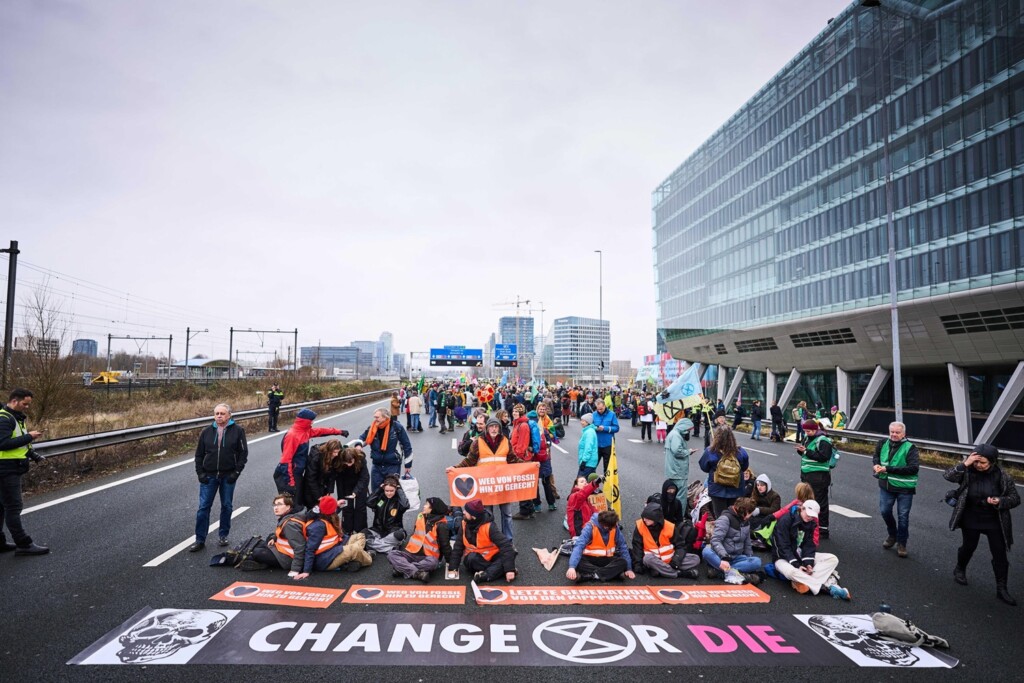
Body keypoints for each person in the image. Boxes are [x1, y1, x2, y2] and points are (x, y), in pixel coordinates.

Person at [945, 444, 1021, 606]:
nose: (979, 465)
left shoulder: (1003, 476)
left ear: (993, 462)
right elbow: (948, 476)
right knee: (969, 546)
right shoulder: (966, 472)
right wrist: (966, 463)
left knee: (1000, 553)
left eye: (983, 463)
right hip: (971, 516)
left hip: (994, 520)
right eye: (976, 462)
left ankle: (1002, 588)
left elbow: (1015, 498)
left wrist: (1000, 501)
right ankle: (960, 568)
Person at [449, 416, 520, 538]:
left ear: (499, 428)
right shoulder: (478, 442)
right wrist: (455, 468)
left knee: (507, 514)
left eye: (496, 426)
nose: (494, 429)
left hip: (502, 485)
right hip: (485, 485)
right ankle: (490, 541)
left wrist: (531, 465)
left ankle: (508, 541)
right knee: (487, 515)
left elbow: (513, 460)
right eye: (491, 426)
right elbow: (470, 460)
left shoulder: (505, 441)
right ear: (487, 428)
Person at [191, 403, 248, 552]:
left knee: (227, 506)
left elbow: (243, 454)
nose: (219, 416)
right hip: (208, 476)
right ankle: (200, 539)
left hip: (228, 476)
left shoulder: (238, 431)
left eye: (222, 413)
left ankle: (223, 535)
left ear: (229, 415)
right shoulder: (206, 432)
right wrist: (200, 473)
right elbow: (199, 455)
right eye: (216, 413)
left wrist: (236, 473)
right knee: (203, 508)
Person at [0, 388, 48, 555]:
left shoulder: (15, 417)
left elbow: (17, 443)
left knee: (1, 506)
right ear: (14, 401)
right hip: (5, 469)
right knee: (14, 506)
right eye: (25, 404)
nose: (27, 407)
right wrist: (29, 436)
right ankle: (24, 544)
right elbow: (3, 443)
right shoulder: (5, 419)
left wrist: (33, 454)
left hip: (10, 466)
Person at [771, 499, 851, 599]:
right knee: (792, 572)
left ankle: (802, 581)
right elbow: (782, 546)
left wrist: (808, 564)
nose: (810, 518)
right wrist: (796, 565)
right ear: (802, 509)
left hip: (800, 556)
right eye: (808, 514)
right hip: (782, 558)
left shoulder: (811, 523)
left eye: (812, 516)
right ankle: (828, 587)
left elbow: (809, 545)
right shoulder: (785, 520)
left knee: (832, 558)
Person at [275, 408, 347, 508]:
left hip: (297, 472)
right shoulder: (292, 435)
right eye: (311, 421)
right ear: (305, 421)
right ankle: (288, 523)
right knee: (291, 505)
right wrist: (290, 483)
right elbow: (285, 461)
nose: (312, 422)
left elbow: (321, 431)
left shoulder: (304, 431)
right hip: (288, 474)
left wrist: (339, 432)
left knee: (299, 502)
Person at [873, 421, 919, 558]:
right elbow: (876, 456)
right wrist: (876, 465)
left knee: (903, 517)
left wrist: (888, 469)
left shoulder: (911, 448)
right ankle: (892, 534)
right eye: (892, 432)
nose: (894, 434)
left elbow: (913, 468)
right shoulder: (882, 443)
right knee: (885, 511)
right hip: (886, 485)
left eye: (897, 432)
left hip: (905, 488)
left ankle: (902, 543)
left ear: (903, 433)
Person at [449, 499, 517, 583]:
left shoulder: (489, 527)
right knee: (471, 558)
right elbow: (458, 547)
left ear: (473, 516)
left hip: (492, 557)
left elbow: (506, 546)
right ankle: (498, 570)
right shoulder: (464, 523)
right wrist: (453, 567)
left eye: (466, 511)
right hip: (475, 560)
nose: (463, 512)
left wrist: (509, 569)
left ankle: (486, 575)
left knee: (511, 552)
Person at [387, 497, 452, 582]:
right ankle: (417, 573)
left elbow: (445, 545)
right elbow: (415, 533)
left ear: (433, 509)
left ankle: (402, 569)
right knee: (391, 554)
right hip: (412, 553)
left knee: (433, 563)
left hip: (429, 557)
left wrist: (451, 562)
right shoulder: (420, 516)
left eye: (426, 505)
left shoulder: (441, 525)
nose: (424, 506)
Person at [702, 497, 763, 584]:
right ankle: (736, 573)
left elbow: (747, 542)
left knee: (757, 561)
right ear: (744, 512)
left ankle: (720, 573)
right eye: (750, 513)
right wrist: (724, 557)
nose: (751, 515)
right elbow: (715, 540)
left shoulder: (746, 522)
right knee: (706, 551)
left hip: (736, 557)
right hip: (721, 556)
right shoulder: (725, 519)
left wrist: (749, 558)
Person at [631, 501, 699, 579]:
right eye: (644, 517)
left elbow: (680, 545)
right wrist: (638, 564)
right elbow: (637, 547)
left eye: (647, 518)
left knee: (695, 559)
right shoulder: (640, 526)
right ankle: (680, 573)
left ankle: (661, 570)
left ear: (655, 518)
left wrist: (676, 560)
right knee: (647, 559)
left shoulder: (670, 527)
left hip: (670, 559)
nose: (644, 520)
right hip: (653, 559)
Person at [567, 510, 635, 582]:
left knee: (623, 562)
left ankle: (590, 576)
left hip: (606, 559)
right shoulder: (590, 528)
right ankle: (613, 574)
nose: (614, 528)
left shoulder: (614, 527)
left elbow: (623, 546)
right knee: (578, 563)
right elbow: (579, 547)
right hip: (589, 558)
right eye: (611, 527)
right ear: (605, 526)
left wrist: (629, 568)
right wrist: (572, 567)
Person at [698, 427, 749, 518]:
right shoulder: (740, 452)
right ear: (732, 438)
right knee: (735, 516)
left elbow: (704, 467)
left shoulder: (710, 451)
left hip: (717, 490)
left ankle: (722, 531)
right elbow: (744, 467)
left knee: (721, 517)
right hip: (736, 489)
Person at [796, 419, 834, 539]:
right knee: (807, 501)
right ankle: (810, 525)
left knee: (819, 503)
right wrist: (801, 451)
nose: (807, 433)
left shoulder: (823, 440)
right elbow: (805, 455)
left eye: (809, 431)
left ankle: (823, 529)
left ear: (815, 429)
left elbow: (823, 457)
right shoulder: (807, 438)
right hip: (807, 475)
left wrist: (806, 451)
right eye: (805, 431)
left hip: (819, 477)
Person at [360, 408, 413, 490]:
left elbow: (407, 445)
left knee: (391, 491)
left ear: (385, 417)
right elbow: (362, 438)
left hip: (393, 465)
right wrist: (358, 445)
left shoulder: (397, 427)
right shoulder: (372, 427)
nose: (375, 419)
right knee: (376, 492)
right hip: (377, 465)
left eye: (377, 417)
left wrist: (408, 465)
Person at [365, 475, 410, 553]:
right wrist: (379, 489)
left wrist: (399, 490)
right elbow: (369, 502)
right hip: (378, 530)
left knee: (399, 535)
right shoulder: (381, 498)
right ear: (384, 489)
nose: (389, 493)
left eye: (391, 491)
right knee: (363, 533)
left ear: (396, 489)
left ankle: (374, 545)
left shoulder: (398, 501)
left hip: (393, 531)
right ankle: (390, 549)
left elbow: (405, 505)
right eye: (387, 491)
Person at [335, 444, 370, 533]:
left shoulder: (361, 458)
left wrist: (356, 492)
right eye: (346, 463)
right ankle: (347, 530)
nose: (348, 465)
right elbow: (339, 481)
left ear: (355, 458)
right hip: (346, 483)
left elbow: (364, 477)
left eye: (350, 462)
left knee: (360, 507)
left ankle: (361, 530)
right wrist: (341, 497)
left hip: (360, 481)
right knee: (347, 507)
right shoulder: (339, 462)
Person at [664, 420, 695, 492]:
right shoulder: (676, 435)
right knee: (680, 493)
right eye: (688, 429)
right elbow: (677, 451)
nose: (688, 431)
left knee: (674, 493)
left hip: (674, 469)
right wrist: (689, 451)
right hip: (677, 470)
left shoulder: (674, 433)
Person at [576, 413, 599, 478]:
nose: (581, 422)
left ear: (588, 422)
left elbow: (588, 448)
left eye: (583, 421)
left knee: (580, 483)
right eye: (581, 420)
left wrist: (584, 461)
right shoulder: (588, 431)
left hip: (588, 463)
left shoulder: (589, 432)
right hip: (590, 463)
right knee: (588, 484)